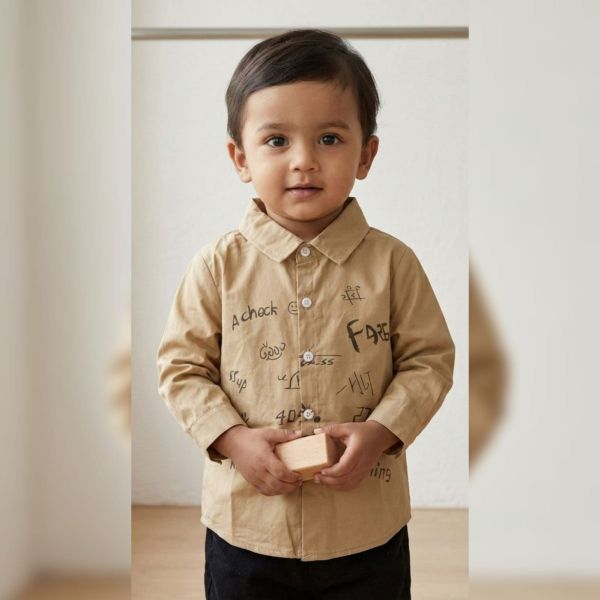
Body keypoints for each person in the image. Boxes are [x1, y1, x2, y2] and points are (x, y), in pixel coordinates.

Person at [157, 29, 455, 600]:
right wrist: (233, 440)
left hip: (365, 529)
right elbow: (181, 368)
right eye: (276, 140)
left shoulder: (394, 264)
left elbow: (429, 361)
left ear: (366, 154)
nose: (303, 161)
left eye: (329, 138)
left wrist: (381, 432)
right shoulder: (217, 266)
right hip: (247, 527)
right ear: (240, 158)